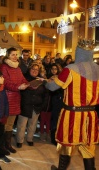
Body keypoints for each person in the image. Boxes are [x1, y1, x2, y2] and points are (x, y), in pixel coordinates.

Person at [41, 39, 99, 170]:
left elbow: (52, 87)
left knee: (66, 145)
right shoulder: (98, 69)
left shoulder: (71, 69)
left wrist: (45, 82)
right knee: (88, 148)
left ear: (79, 52)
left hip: (72, 114)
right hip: (90, 115)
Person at [0, 47, 29, 153]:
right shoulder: (4, 67)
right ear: (8, 55)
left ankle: (7, 144)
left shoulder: (18, 68)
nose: (15, 57)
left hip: (15, 98)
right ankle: (1, 146)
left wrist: (29, 83)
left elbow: (22, 79)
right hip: (6, 98)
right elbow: (5, 83)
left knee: (11, 124)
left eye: (16, 54)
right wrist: (18, 87)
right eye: (13, 54)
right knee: (4, 124)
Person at [16, 63, 47, 148]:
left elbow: (45, 94)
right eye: (33, 69)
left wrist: (42, 105)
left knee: (32, 124)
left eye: (36, 70)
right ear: (29, 70)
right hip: (25, 104)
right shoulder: (23, 78)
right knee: (22, 124)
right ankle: (19, 140)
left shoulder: (41, 81)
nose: (34, 71)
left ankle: (30, 139)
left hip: (36, 105)